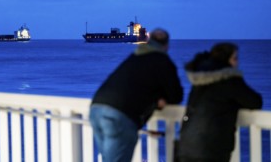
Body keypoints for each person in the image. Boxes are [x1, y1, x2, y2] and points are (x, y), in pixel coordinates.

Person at [89, 28, 183, 162]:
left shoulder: (134, 57)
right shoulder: (162, 61)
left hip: (97, 108)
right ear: (167, 45)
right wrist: (158, 100)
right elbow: (176, 95)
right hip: (120, 115)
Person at [177, 42, 263, 162]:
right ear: (226, 59)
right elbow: (255, 101)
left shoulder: (199, 77)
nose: (237, 63)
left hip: (187, 144)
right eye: (235, 58)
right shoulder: (228, 78)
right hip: (211, 148)